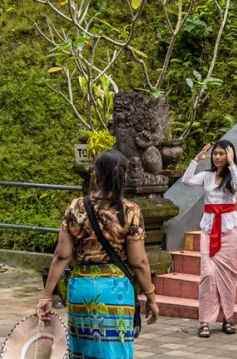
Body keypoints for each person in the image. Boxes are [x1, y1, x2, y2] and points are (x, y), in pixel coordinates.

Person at [37, 150, 160, 358]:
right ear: (125, 176)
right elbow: (138, 262)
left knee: (81, 352)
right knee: (114, 352)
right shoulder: (130, 211)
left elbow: (62, 255)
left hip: (80, 291)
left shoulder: (76, 207)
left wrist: (46, 295)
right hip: (115, 292)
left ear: (95, 174)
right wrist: (150, 297)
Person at [181, 140, 237, 338]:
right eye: (215, 154)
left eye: (221, 154)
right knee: (207, 274)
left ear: (229, 155)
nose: (217, 157)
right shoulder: (207, 176)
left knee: (228, 275)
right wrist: (195, 159)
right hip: (209, 229)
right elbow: (186, 180)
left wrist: (233, 164)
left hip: (230, 229)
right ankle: (204, 320)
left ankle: (228, 317)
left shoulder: (234, 176)